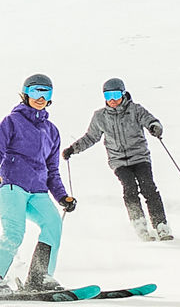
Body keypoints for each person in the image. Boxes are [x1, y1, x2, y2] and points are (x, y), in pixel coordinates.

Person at [0, 74, 76, 295]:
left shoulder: (52, 131)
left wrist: (62, 197)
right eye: (35, 92)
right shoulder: (12, 122)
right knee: (15, 231)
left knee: (53, 224)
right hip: (12, 185)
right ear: (25, 94)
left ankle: (40, 277)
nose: (40, 98)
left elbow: (52, 170)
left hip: (38, 191)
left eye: (46, 93)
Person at [64, 77, 173, 241]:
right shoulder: (100, 116)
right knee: (129, 189)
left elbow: (150, 120)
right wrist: (73, 149)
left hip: (140, 157)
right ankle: (139, 225)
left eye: (115, 95)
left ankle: (161, 225)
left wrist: (154, 127)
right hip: (119, 161)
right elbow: (91, 137)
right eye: (108, 96)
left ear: (123, 94)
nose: (113, 100)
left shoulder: (136, 110)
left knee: (148, 188)